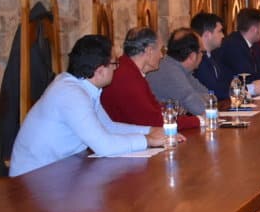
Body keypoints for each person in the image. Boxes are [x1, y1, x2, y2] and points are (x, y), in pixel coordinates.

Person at [9, 35, 168, 177]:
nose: (116, 68)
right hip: (33, 181)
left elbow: (107, 126)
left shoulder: (82, 87)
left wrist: (150, 130)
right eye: (114, 63)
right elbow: (104, 146)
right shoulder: (71, 94)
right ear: (100, 71)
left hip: (61, 171)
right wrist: (148, 140)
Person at [101, 27, 200, 131]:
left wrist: (166, 108)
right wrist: (198, 120)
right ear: (149, 51)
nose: (162, 56)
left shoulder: (129, 70)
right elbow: (154, 122)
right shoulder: (127, 77)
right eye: (161, 50)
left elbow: (147, 109)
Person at [147, 28, 214, 116]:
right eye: (201, 52)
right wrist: (190, 103)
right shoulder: (170, 73)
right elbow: (201, 108)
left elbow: (211, 98)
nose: (202, 55)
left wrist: (187, 104)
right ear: (192, 56)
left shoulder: (181, 69)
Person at [217, 8, 260, 92]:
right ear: (254, 29)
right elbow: (249, 76)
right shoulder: (232, 45)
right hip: (231, 97)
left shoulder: (255, 45)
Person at [191, 12, 231, 100]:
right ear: (207, 35)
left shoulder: (215, 54)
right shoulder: (197, 59)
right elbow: (214, 91)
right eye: (220, 31)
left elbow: (227, 82)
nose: (223, 35)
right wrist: (249, 89)